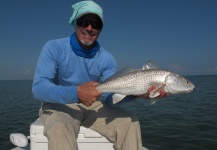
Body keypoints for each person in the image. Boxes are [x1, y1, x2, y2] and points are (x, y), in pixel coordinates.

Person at [32, 1, 167, 150]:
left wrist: (137, 93)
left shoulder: (107, 58)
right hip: (58, 104)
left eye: (95, 24)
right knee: (60, 127)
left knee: (130, 121)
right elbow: (39, 88)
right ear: (75, 23)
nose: (89, 28)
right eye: (84, 22)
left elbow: (110, 98)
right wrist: (77, 93)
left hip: (93, 105)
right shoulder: (54, 47)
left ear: (100, 29)